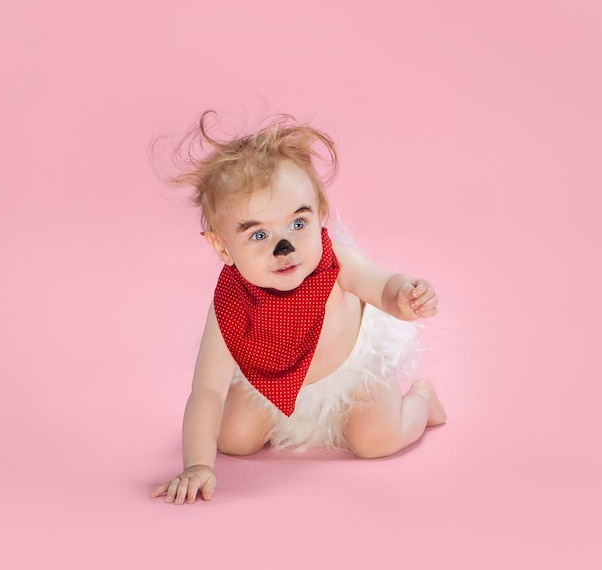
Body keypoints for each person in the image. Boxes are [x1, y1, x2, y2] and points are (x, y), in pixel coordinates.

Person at [151, 112, 446, 505]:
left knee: (376, 441)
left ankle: (422, 401)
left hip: (351, 374)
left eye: (298, 224)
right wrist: (197, 465)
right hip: (271, 382)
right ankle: (284, 416)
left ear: (320, 214)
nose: (284, 247)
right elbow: (206, 391)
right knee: (232, 440)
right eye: (259, 234)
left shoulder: (333, 262)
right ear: (222, 247)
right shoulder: (230, 305)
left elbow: (382, 286)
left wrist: (404, 297)